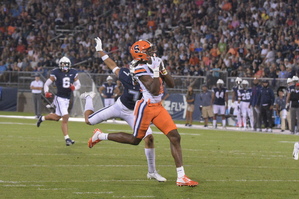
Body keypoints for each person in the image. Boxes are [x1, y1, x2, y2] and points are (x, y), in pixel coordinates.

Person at [88, 38, 198, 187]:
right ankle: (101, 135)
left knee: (175, 137)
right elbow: (152, 89)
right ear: (140, 54)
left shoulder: (154, 62)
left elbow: (171, 83)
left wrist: (162, 69)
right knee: (135, 140)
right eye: (148, 50)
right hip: (144, 107)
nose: (152, 52)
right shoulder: (138, 68)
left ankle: (181, 176)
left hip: (157, 107)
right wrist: (155, 70)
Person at [81, 37, 166, 182]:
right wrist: (100, 50)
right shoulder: (127, 75)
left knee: (149, 138)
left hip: (136, 113)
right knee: (89, 121)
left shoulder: (149, 79)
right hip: (120, 106)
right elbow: (112, 65)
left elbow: (156, 89)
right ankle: (89, 98)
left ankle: (151, 172)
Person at [36, 56, 81, 146]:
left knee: (57, 117)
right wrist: (46, 92)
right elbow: (47, 83)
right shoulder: (56, 72)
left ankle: (42, 118)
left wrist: (74, 87)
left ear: (69, 65)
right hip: (59, 98)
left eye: (65, 65)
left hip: (67, 98)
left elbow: (79, 84)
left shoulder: (73, 72)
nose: (64, 66)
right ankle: (67, 139)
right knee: (65, 116)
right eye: (62, 65)